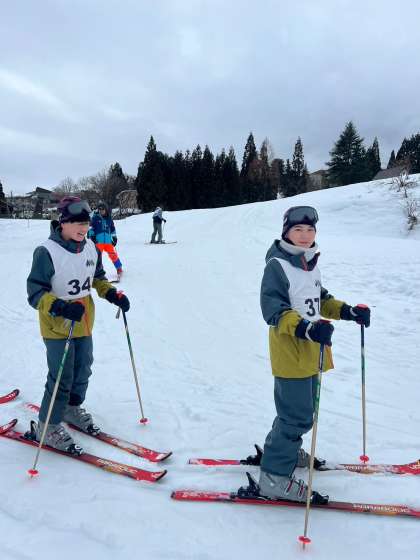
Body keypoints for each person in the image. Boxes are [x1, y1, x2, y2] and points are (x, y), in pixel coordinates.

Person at [257, 205, 371, 502]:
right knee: (296, 416)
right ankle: (273, 477)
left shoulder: (309, 264)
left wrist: (348, 311)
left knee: (300, 412)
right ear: (286, 233)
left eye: (310, 230)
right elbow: (273, 309)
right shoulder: (277, 266)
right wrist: (305, 329)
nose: (305, 235)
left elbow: (320, 301)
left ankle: (283, 451)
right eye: (298, 230)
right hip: (291, 351)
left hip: (311, 351)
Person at [27, 196, 130, 453]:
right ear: (63, 222)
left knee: (83, 368)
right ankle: (47, 426)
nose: (83, 228)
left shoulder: (91, 247)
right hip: (56, 324)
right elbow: (35, 293)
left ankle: (71, 409)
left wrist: (112, 294)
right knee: (61, 375)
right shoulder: (46, 252)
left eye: (86, 223)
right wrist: (60, 306)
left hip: (83, 321)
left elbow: (97, 278)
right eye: (77, 223)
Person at [88, 201, 123, 278]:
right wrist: (92, 236)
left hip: (108, 241)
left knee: (113, 255)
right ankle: (95, 272)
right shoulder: (95, 218)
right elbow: (91, 228)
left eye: (103, 209)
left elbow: (112, 229)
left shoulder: (109, 219)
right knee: (96, 257)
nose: (101, 211)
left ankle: (119, 268)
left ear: (106, 209)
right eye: (100, 209)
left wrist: (114, 237)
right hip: (98, 242)